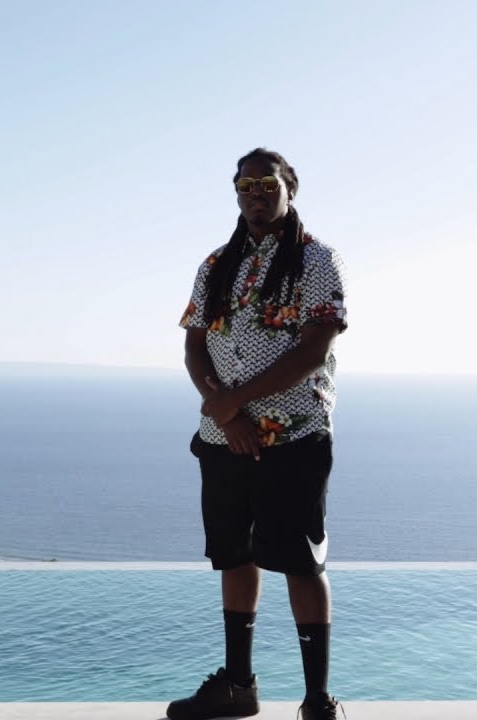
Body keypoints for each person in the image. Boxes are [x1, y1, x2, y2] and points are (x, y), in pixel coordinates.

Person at [168, 148, 348, 720]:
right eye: (246, 186)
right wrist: (226, 416)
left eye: (267, 184)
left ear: (289, 188)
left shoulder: (316, 259)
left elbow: (314, 349)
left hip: (293, 435)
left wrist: (234, 403)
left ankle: (317, 700)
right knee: (234, 555)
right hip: (223, 437)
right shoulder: (216, 264)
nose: (256, 195)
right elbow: (195, 344)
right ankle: (238, 686)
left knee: (300, 561)